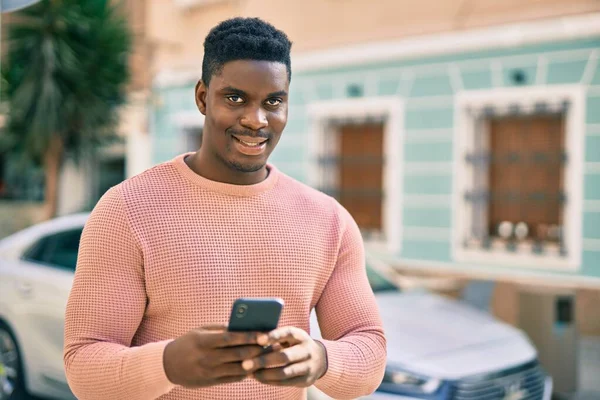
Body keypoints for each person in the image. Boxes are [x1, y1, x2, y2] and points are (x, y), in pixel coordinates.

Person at [63, 17, 386, 400]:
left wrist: (320, 358)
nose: (256, 119)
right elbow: (83, 367)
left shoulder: (328, 220)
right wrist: (167, 364)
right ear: (202, 97)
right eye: (235, 99)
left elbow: (370, 351)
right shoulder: (126, 210)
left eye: (273, 102)